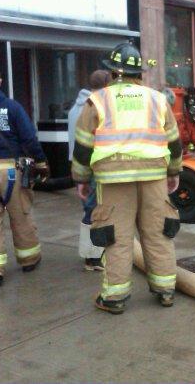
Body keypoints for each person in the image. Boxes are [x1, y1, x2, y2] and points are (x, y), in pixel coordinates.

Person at [71, 42, 183, 315]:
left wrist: (82, 179)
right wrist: (173, 171)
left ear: (111, 73)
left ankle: (114, 298)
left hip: (113, 180)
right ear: (139, 74)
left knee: (116, 238)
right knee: (158, 232)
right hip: (154, 176)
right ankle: (165, 290)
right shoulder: (158, 99)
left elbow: (83, 146)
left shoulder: (97, 100)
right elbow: (175, 142)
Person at [0, 64, 49, 288]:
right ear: (0, 82)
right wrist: (41, 162)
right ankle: (29, 259)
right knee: (20, 216)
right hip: (12, 171)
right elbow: (28, 138)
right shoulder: (11, 107)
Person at [68, 69, 111, 272]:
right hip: (92, 167)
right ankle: (93, 258)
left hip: (80, 165)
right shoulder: (94, 108)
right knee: (95, 212)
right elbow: (87, 145)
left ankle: (90, 255)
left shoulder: (75, 107)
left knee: (89, 211)